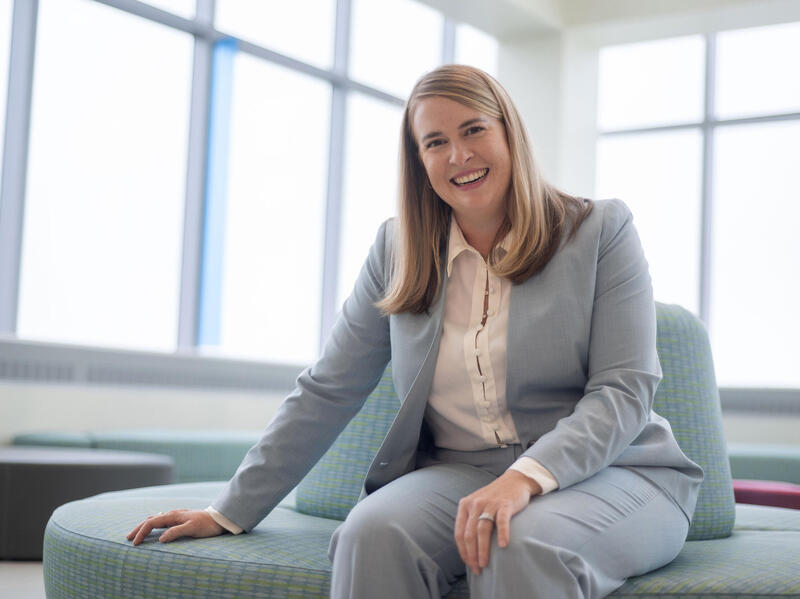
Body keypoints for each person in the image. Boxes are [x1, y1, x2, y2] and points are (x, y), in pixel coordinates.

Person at [127, 64, 704, 599]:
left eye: (474, 130)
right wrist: (229, 510)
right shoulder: (396, 249)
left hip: (615, 473)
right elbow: (329, 388)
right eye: (435, 142)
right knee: (370, 533)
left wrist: (526, 478)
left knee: (521, 538)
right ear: (419, 161)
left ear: (510, 134)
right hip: (461, 472)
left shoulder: (600, 229)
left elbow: (624, 390)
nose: (459, 155)